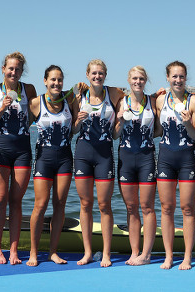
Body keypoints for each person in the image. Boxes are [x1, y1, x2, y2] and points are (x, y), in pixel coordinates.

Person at [0, 52, 37, 264]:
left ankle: (13, 250)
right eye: (10, 68)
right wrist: (2, 109)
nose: (13, 72)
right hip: (1, 150)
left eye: (18, 69)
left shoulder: (29, 89)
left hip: (23, 150)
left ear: (22, 72)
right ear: (3, 69)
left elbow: (35, 114)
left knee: (16, 201)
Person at [27, 65, 80, 267]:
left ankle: (52, 252)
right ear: (45, 81)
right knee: (40, 205)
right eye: (53, 80)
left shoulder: (70, 100)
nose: (56, 83)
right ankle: (33, 252)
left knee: (60, 205)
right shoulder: (35, 103)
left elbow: (74, 129)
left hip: (65, 159)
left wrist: (80, 122)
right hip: (43, 159)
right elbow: (21, 127)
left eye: (59, 80)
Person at [73, 60, 124, 267]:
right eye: (94, 73)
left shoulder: (113, 94)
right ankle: (87, 252)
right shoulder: (79, 96)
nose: (97, 76)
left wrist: (159, 94)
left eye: (101, 73)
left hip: (104, 154)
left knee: (104, 205)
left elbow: (137, 96)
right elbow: (73, 130)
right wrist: (78, 120)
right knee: (85, 204)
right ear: (87, 74)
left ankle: (106, 253)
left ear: (105, 75)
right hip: (83, 153)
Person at [154, 61, 195, 270]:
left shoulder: (194, 102)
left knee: (187, 208)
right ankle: (168, 255)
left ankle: (187, 256)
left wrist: (187, 123)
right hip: (165, 157)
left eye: (181, 76)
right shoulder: (159, 100)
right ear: (167, 77)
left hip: (187, 158)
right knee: (166, 208)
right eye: (174, 76)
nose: (178, 80)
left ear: (186, 78)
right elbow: (157, 130)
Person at [114, 66, 157, 266]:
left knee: (147, 207)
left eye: (141, 78)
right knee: (131, 208)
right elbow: (114, 134)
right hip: (126, 157)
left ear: (145, 80)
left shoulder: (153, 101)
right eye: (134, 78)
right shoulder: (121, 102)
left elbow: (157, 131)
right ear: (129, 80)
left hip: (147, 158)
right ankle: (134, 251)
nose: (137, 81)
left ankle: (146, 254)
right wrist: (120, 121)